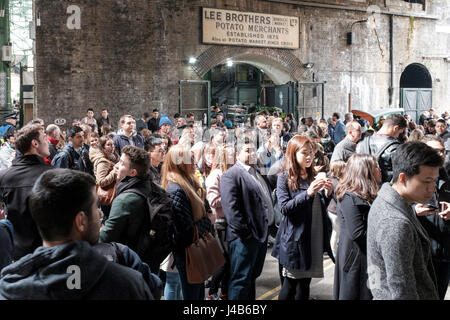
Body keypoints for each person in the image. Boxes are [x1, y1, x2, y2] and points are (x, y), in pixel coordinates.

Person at [0, 169, 154, 300]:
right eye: (96, 208)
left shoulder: (8, 287)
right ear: (81, 221)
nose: (100, 214)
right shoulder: (127, 284)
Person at [367, 141, 442, 300]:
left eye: (435, 181)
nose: (433, 188)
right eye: (427, 181)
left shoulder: (388, 198)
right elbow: (401, 289)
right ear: (403, 178)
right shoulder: (395, 222)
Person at [271, 136, 334, 300]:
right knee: (290, 285)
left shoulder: (313, 174)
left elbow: (318, 205)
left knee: (305, 285)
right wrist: (308, 193)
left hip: (313, 236)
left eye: (311, 153)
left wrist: (327, 194)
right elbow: (284, 208)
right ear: (293, 154)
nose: (309, 156)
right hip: (295, 240)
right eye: (304, 153)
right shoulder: (284, 178)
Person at [220, 139, 272, 300]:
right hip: (245, 238)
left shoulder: (256, 172)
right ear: (237, 155)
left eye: (253, 150)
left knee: (251, 278)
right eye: (247, 151)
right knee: (240, 280)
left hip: (260, 234)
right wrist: (246, 232)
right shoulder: (231, 175)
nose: (252, 154)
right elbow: (231, 210)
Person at [161, 144, 212, 300]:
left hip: (195, 250)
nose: (194, 161)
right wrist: (208, 222)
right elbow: (187, 232)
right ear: (179, 163)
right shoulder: (176, 189)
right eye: (190, 158)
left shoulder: (187, 182)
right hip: (188, 253)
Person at [0, 124, 52, 261]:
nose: (48, 142)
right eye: (44, 138)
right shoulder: (52, 175)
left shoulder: (4, 176)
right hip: (46, 253)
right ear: (34, 143)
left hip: (16, 254)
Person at [333, 154, 381, 300]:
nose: (379, 169)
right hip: (356, 260)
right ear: (365, 171)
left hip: (367, 258)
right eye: (375, 167)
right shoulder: (349, 197)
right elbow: (357, 233)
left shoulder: (368, 195)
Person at [416, 135, 450, 300]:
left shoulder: (446, 176)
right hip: (421, 256)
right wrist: (414, 211)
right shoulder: (409, 176)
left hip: (444, 254)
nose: (441, 155)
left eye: (442, 151)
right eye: (435, 151)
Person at [205, 145, 235, 300]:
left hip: (231, 221)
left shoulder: (230, 173)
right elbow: (213, 200)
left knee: (230, 260)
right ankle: (212, 292)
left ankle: (224, 291)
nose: (234, 157)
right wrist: (234, 198)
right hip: (221, 222)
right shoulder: (215, 175)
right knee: (223, 260)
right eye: (230, 155)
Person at [356, 114, 407, 183]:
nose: (398, 136)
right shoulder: (394, 148)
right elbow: (397, 177)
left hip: (362, 186)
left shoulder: (362, 142)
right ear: (395, 128)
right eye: (399, 133)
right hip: (382, 190)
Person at [89, 135, 119, 219]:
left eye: (113, 144)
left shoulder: (113, 157)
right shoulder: (103, 161)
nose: (112, 147)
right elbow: (101, 182)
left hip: (114, 196)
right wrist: (114, 171)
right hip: (107, 197)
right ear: (102, 147)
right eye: (109, 145)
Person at [327, 160, 346, 258]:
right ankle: (334, 252)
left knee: (337, 232)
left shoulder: (332, 179)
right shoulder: (336, 182)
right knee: (336, 232)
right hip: (335, 211)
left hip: (333, 210)